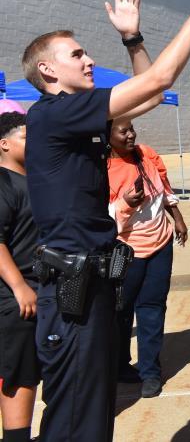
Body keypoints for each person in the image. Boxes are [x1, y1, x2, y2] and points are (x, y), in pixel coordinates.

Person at [22, 0, 190, 442]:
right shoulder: (53, 114)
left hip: (93, 282)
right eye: (77, 54)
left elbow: (151, 96)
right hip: (71, 289)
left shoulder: (77, 116)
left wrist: (133, 39)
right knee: (74, 414)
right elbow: (158, 80)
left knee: (94, 408)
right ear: (47, 69)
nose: (89, 60)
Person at [107, 118, 188, 398]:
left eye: (132, 129)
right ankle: (119, 365)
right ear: (107, 136)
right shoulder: (101, 168)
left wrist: (177, 218)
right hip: (125, 249)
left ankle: (150, 371)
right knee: (121, 310)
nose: (131, 135)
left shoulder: (147, 154)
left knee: (152, 308)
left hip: (160, 244)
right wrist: (125, 204)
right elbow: (100, 217)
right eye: (123, 131)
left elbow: (164, 190)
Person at [0, 112, 39, 442]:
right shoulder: (3, 183)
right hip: (16, 298)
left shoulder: (35, 180)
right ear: (4, 144)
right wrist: (19, 286)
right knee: (19, 374)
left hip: (41, 291)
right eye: (26, 136)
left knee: (31, 371)